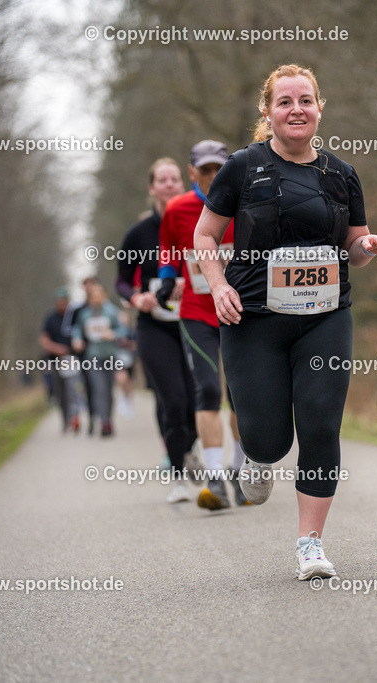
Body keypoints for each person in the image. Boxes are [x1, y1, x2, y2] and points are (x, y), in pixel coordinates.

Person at [194, 64, 377, 579]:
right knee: (267, 438)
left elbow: (353, 245)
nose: (296, 109)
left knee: (321, 423)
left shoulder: (341, 174)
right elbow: (206, 237)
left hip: (325, 316)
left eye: (305, 100)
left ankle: (310, 543)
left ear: (320, 108)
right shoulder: (241, 167)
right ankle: (257, 458)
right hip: (253, 318)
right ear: (268, 113)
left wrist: (367, 246)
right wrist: (218, 285)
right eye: (285, 102)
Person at [161, 140, 248, 511]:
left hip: (242, 312)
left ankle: (238, 472)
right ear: (192, 172)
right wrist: (166, 277)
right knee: (209, 389)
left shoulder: (245, 201)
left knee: (243, 397)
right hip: (197, 312)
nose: (214, 176)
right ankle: (214, 478)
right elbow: (168, 249)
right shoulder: (178, 209)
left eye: (219, 168)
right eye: (206, 170)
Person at [115, 157, 199, 503]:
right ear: (152, 188)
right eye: (162, 180)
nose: (169, 185)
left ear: (183, 184)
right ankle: (178, 475)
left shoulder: (197, 224)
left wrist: (191, 284)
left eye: (174, 179)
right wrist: (137, 298)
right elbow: (120, 281)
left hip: (195, 323)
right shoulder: (138, 233)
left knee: (199, 399)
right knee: (173, 400)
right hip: (154, 329)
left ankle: (190, 445)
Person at [71, 284, 126, 437]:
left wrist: (113, 334)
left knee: (108, 390)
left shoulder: (111, 312)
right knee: (99, 389)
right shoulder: (85, 315)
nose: (96, 299)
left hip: (110, 356)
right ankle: (104, 422)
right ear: (89, 299)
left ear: (103, 296)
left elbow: (123, 329)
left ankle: (108, 419)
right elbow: (77, 330)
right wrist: (77, 340)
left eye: (98, 295)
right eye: (93, 296)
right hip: (92, 357)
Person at [63, 275, 99, 435]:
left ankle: (99, 418)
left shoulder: (102, 306)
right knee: (81, 387)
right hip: (80, 355)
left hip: (100, 354)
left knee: (97, 387)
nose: (89, 288)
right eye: (87, 285)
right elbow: (67, 329)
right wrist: (77, 338)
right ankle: (83, 417)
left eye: (92, 285)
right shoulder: (76, 308)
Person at [39, 287, 76, 433]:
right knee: (60, 392)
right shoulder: (50, 318)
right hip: (55, 361)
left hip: (74, 360)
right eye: (58, 302)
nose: (61, 304)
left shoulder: (74, 317)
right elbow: (43, 340)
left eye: (63, 302)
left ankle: (75, 417)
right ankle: (65, 421)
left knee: (73, 390)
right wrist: (57, 349)